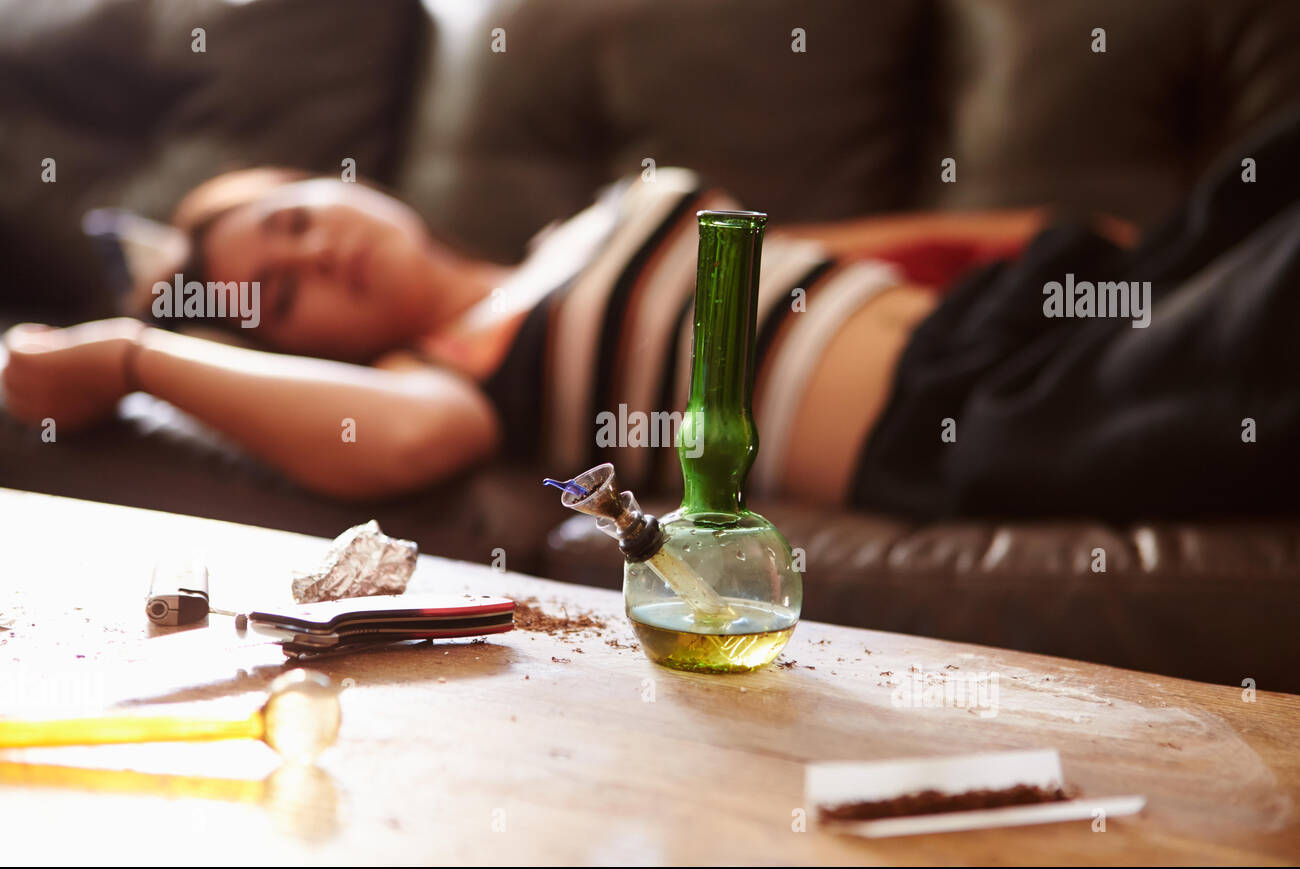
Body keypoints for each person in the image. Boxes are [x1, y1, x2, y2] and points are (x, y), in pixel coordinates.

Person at [4, 105, 1299, 518]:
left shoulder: (580, 230)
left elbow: (818, 248)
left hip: (1026, 310)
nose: (311, 255)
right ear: (294, 351)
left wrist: (1008, 238)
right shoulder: (438, 370)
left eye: (293, 217)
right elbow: (404, 448)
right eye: (274, 297)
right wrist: (133, 353)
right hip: (976, 416)